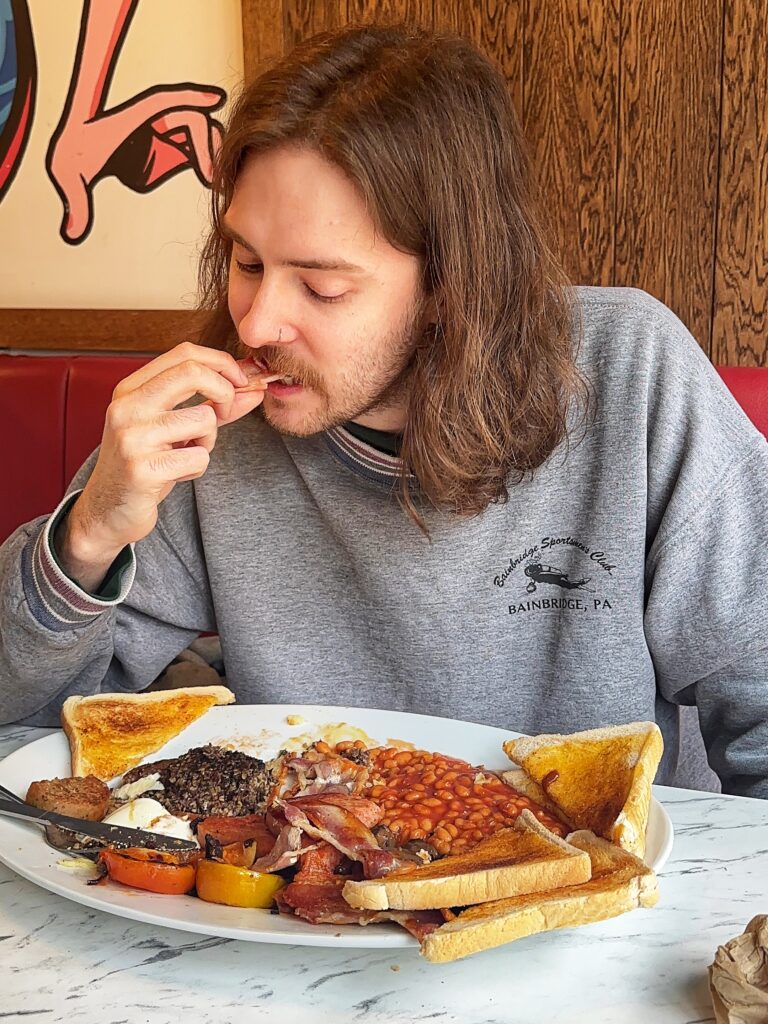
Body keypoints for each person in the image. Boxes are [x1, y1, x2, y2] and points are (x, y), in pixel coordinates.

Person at [1, 25, 767, 797]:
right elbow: (27, 734)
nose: (257, 326)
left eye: (322, 288)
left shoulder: (631, 372)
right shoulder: (208, 424)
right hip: (307, 863)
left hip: (610, 864)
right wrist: (88, 536)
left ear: (449, 287)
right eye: (247, 262)